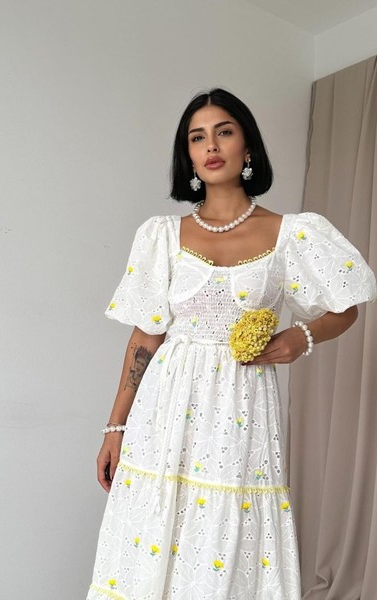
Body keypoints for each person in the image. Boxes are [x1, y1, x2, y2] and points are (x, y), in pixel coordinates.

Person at [86, 88, 376, 600]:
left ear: (248, 147)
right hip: (167, 403)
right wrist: (115, 426)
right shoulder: (161, 236)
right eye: (197, 137)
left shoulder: (291, 233)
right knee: (156, 525)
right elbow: (146, 334)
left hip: (242, 404)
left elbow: (346, 305)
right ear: (189, 155)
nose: (211, 146)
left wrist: (301, 336)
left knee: (229, 527)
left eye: (224, 131)